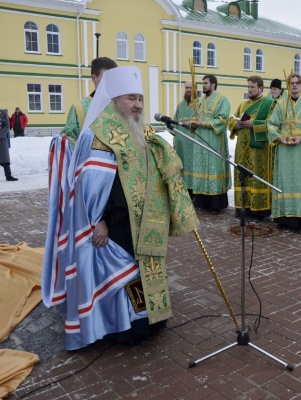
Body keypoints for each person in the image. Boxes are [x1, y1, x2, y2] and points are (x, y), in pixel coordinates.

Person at [41, 66, 200, 350]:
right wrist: (97, 221)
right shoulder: (98, 134)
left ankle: (147, 319)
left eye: (140, 98)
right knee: (125, 277)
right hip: (113, 223)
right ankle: (124, 328)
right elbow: (88, 186)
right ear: (114, 100)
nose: (137, 104)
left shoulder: (141, 131)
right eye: (131, 98)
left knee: (144, 272)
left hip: (144, 219)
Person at [267, 73, 301, 234]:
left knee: (300, 182)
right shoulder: (280, 104)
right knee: (283, 181)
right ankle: (283, 218)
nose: (295, 86)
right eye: (292, 83)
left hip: (300, 149)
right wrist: (279, 138)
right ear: (288, 86)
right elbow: (271, 124)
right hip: (283, 149)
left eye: (298, 83)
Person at [228, 75, 277, 220]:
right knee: (242, 176)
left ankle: (259, 211)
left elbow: (272, 124)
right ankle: (242, 208)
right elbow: (232, 119)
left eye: (252, 87)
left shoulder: (270, 104)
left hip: (259, 151)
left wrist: (253, 124)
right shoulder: (243, 105)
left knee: (256, 176)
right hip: (242, 150)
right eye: (248, 87)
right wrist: (236, 124)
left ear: (260, 88)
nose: (249, 90)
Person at [188, 74, 232, 214]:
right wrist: (193, 123)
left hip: (214, 140)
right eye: (203, 83)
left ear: (213, 85)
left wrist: (204, 123)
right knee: (202, 168)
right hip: (201, 140)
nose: (204, 86)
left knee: (213, 168)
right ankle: (203, 202)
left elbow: (223, 120)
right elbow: (197, 118)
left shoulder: (222, 99)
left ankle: (216, 204)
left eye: (206, 83)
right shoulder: (201, 101)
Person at [61, 56, 118, 147]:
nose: (111, 82)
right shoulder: (79, 108)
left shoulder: (122, 106)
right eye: (107, 77)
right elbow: (70, 142)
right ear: (94, 78)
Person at [173, 80, 197, 198]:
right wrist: (175, 141)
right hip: (181, 144)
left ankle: (194, 193)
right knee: (182, 167)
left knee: (193, 168)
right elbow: (174, 124)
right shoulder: (180, 105)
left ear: (195, 89)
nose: (188, 90)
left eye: (190, 88)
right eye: (186, 88)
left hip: (193, 144)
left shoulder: (199, 105)